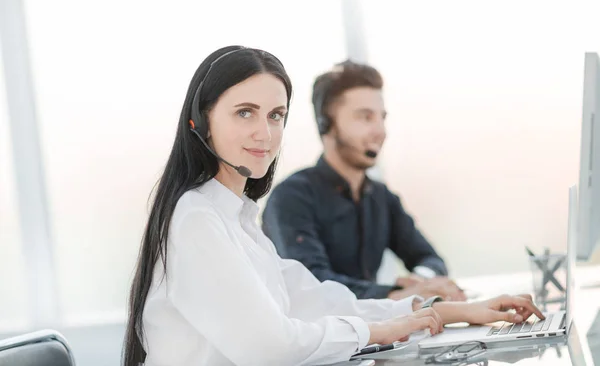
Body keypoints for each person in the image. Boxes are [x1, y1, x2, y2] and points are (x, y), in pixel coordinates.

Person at [123, 46, 544, 366]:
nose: (265, 134)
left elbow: (317, 299)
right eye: (245, 113)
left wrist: (445, 310)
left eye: (275, 116)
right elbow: (269, 346)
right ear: (200, 120)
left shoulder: (237, 220)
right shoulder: (197, 219)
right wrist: (384, 328)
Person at [262, 60, 467, 302]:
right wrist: (395, 295)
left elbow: (429, 258)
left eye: (382, 118)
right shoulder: (291, 198)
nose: (380, 131)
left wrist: (420, 280)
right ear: (326, 124)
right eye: (365, 117)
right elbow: (313, 286)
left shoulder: (380, 196)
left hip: (374, 331)